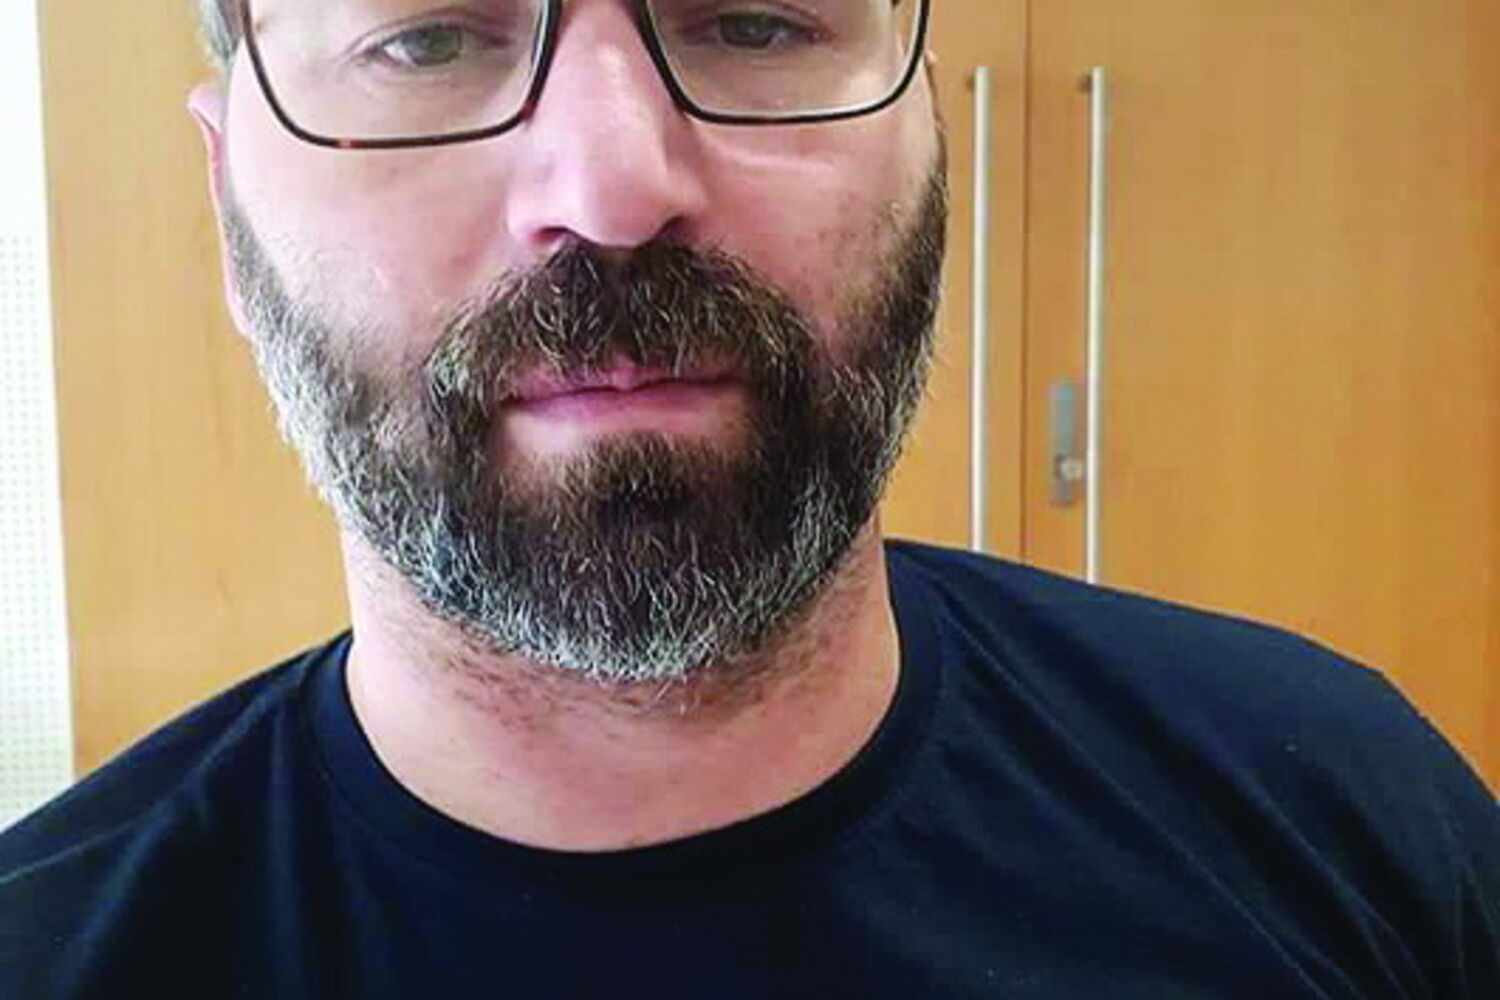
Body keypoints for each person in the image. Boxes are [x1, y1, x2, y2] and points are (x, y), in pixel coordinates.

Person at [3, 0, 1497, 995]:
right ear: (229, 204)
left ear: (929, 137)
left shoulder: (1349, 811)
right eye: (429, 39)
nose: (610, 188)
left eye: (756, 22)